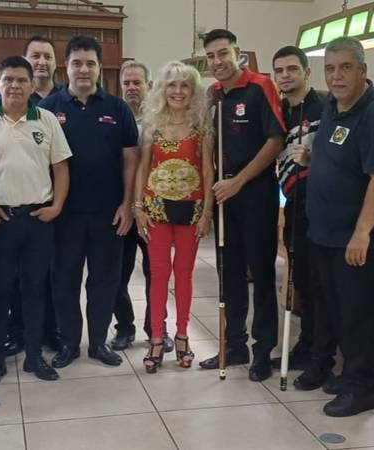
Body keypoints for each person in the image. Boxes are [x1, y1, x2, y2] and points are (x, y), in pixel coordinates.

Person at [296, 36, 374, 417]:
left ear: (362, 70)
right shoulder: (332, 106)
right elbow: (343, 158)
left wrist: (362, 233)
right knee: (334, 310)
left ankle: (361, 389)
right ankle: (358, 374)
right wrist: (311, 157)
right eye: (330, 69)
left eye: (345, 68)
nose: (336, 76)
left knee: (357, 314)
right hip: (324, 233)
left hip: (359, 238)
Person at [39, 36, 139, 369]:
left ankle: (97, 342)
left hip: (108, 214)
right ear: (65, 67)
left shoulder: (117, 108)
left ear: (99, 68)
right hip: (63, 214)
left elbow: (130, 161)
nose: (84, 69)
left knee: (104, 282)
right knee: (64, 281)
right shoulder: (48, 109)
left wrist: (127, 204)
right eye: (77, 63)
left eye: (90, 63)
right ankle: (69, 343)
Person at [197, 29, 285, 382]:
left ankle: (262, 351)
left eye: (223, 53)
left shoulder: (261, 86)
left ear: (238, 54)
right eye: (211, 56)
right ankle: (234, 345)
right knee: (228, 273)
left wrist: (240, 181)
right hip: (224, 195)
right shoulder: (214, 95)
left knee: (261, 274)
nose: (217, 61)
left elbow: (275, 141)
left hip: (256, 192)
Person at [0, 56, 72, 386]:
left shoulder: (46, 120)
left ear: (33, 85)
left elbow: (61, 167)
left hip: (37, 219)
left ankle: (34, 356)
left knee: (35, 289)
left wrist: (57, 206)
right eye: (8, 80)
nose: (15, 86)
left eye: (21, 80)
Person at [133, 61, 214, 373]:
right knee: (158, 274)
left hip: (191, 210)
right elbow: (142, 167)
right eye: (172, 85)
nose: (178, 91)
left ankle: (182, 335)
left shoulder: (201, 127)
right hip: (155, 208)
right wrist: (138, 207)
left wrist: (207, 212)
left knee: (184, 274)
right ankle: (156, 337)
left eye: (184, 86)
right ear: (162, 89)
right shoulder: (151, 125)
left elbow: (207, 171)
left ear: (193, 92)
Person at [269, 45, 334, 378]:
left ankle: (321, 356)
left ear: (307, 72)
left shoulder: (327, 107)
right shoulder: (279, 110)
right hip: (293, 203)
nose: (285, 76)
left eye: (292, 69)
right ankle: (306, 346)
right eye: (279, 71)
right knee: (303, 283)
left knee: (321, 287)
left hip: (322, 206)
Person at [110, 60, 174, 354]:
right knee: (116, 274)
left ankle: (157, 328)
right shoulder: (113, 118)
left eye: (137, 83)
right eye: (127, 83)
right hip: (121, 207)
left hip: (154, 209)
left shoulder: (162, 120)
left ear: (149, 86)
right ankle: (124, 327)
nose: (132, 88)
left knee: (156, 273)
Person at [0, 35, 63, 107]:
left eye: (48, 57)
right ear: (24, 60)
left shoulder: (65, 95)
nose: (42, 62)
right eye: (36, 56)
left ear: (55, 63)